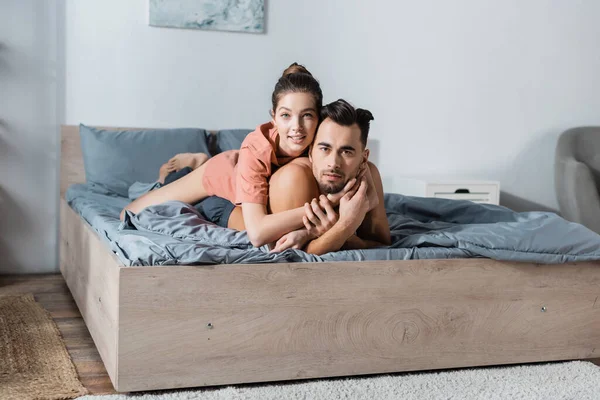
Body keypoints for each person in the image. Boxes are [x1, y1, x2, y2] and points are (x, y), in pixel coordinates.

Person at [121, 63, 333, 247]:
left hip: (253, 184)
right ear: (274, 117)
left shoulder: (325, 140)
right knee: (130, 213)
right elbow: (258, 233)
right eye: (286, 115)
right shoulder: (257, 148)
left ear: (319, 117)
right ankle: (188, 166)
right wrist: (329, 204)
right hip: (222, 175)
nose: (296, 127)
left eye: (306, 115)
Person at [266, 99, 391, 254]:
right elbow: (294, 258)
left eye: (346, 152)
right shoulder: (294, 178)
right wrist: (346, 224)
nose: (333, 163)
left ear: (363, 159)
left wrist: (339, 234)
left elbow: (383, 246)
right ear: (311, 152)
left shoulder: (368, 172)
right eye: (325, 148)